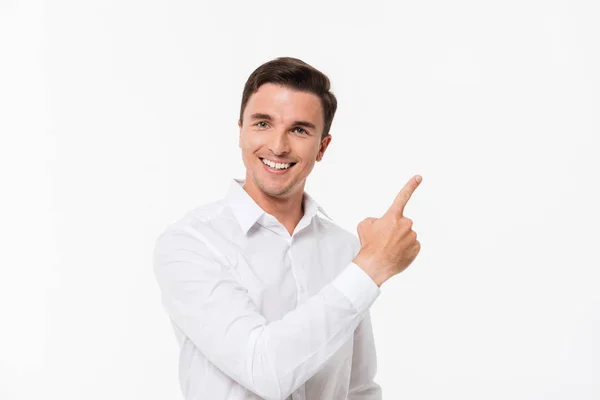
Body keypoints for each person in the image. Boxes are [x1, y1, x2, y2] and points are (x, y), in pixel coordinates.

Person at [153, 56, 422, 400]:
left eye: (299, 130)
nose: (278, 146)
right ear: (240, 131)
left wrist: (364, 263)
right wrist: (372, 266)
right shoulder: (191, 244)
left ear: (322, 147)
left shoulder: (344, 250)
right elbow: (263, 370)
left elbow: (358, 388)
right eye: (263, 124)